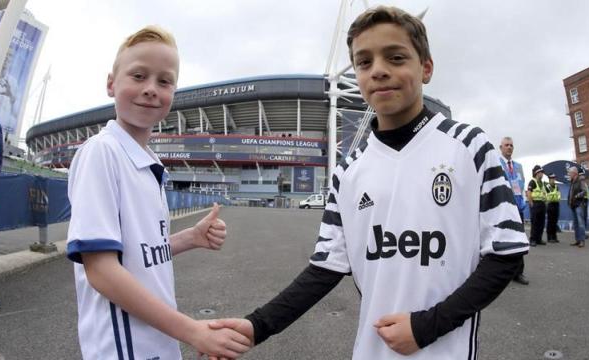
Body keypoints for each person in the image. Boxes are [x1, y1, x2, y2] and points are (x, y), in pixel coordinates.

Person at [209, 6, 529, 359]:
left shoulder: (471, 146)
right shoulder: (348, 171)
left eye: (395, 57)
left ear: (426, 68)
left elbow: (506, 254)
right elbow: (324, 269)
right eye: (364, 62)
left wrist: (426, 328)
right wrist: (258, 326)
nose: (378, 70)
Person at [66, 26, 250, 360]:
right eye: (138, 75)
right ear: (111, 83)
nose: (151, 90)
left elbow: (138, 254)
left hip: (157, 340)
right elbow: (101, 270)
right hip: (123, 347)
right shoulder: (102, 153)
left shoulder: (149, 162)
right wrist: (193, 331)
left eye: (164, 81)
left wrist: (190, 238)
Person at [499, 136, 529, 284]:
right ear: (501, 148)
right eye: (506, 145)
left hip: (518, 207)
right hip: (503, 207)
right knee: (503, 238)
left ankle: (518, 272)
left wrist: (522, 201)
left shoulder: (518, 166)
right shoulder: (496, 164)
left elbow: (521, 185)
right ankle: (502, 271)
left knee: (518, 239)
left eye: (511, 145)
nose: (509, 147)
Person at [526, 165, 547, 246]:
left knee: (541, 223)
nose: (542, 174)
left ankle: (539, 239)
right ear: (537, 173)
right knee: (535, 222)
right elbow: (529, 192)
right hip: (535, 203)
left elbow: (544, 193)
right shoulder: (532, 182)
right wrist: (531, 203)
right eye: (541, 172)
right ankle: (532, 240)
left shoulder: (542, 183)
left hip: (542, 204)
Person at [568, 167, 586, 247]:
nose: (569, 174)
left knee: (580, 223)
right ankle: (577, 240)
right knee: (576, 224)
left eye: (570, 173)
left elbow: (584, 191)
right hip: (573, 205)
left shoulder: (580, 180)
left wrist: (577, 196)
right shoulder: (572, 181)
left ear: (574, 173)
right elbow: (571, 193)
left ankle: (582, 241)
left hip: (579, 204)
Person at [545, 173, 561, 243]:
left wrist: (556, 196)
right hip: (550, 204)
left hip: (556, 204)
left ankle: (554, 236)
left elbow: (559, 195)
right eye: (552, 178)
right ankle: (549, 237)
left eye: (554, 178)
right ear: (549, 179)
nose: (553, 180)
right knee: (550, 221)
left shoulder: (556, 186)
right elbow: (548, 196)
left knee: (555, 221)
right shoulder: (547, 187)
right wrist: (553, 196)